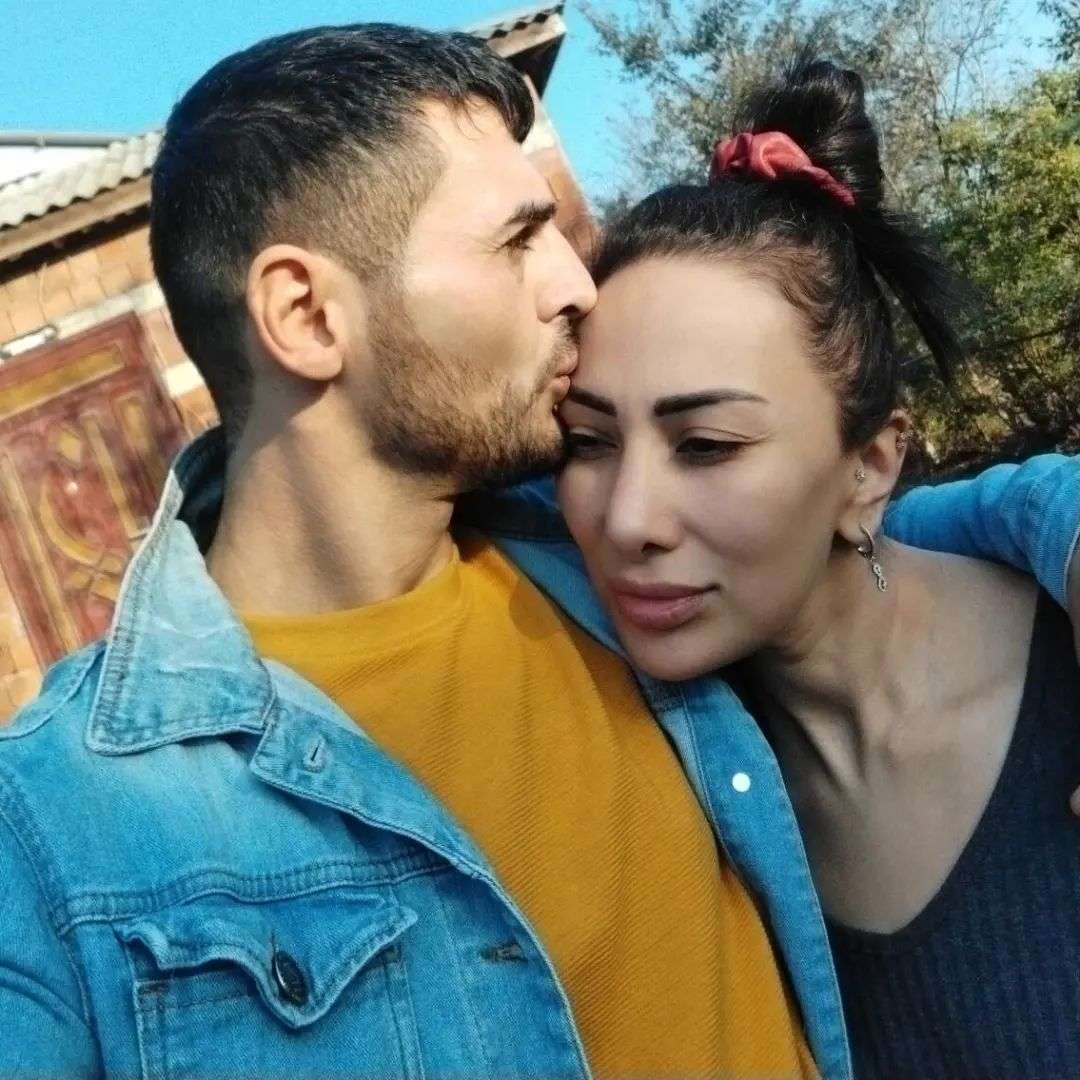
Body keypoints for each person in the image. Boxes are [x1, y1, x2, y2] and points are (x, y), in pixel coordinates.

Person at [0, 27, 1074, 1080]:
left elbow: (860, 532)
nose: (576, 284)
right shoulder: (60, 829)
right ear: (308, 313)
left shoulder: (588, 562)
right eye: (518, 240)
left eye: (702, 446)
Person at [553, 57, 1080, 1079]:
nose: (627, 520)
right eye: (586, 442)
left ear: (869, 466)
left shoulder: (1056, 653)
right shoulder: (677, 782)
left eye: (707, 445)